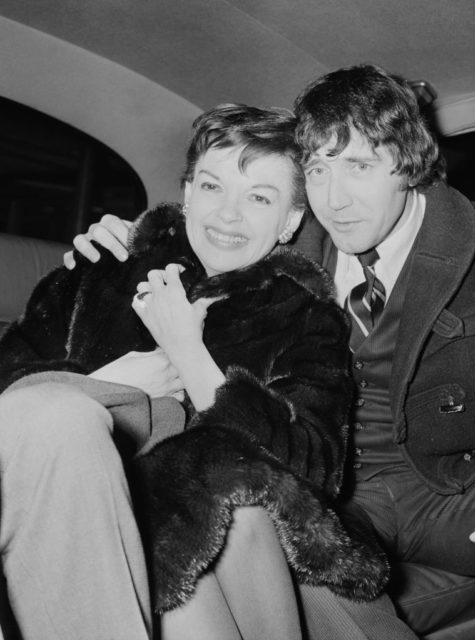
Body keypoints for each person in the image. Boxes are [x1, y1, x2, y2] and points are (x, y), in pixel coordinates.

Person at [73, 64, 475, 640]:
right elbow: (218, 229)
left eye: (360, 167)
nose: (335, 199)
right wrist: (124, 246)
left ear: (409, 166)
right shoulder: (288, 237)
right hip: (334, 490)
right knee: (282, 530)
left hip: (451, 486)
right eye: (317, 170)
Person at [0, 103, 403, 640]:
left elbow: (316, 468)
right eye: (212, 188)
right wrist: (117, 386)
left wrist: (190, 355)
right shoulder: (103, 266)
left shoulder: (305, 317)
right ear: (187, 194)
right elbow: (12, 409)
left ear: (289, 222)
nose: (228, 216)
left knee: (225, 514)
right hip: (80, 521)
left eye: (259, 198)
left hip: (241, 544)